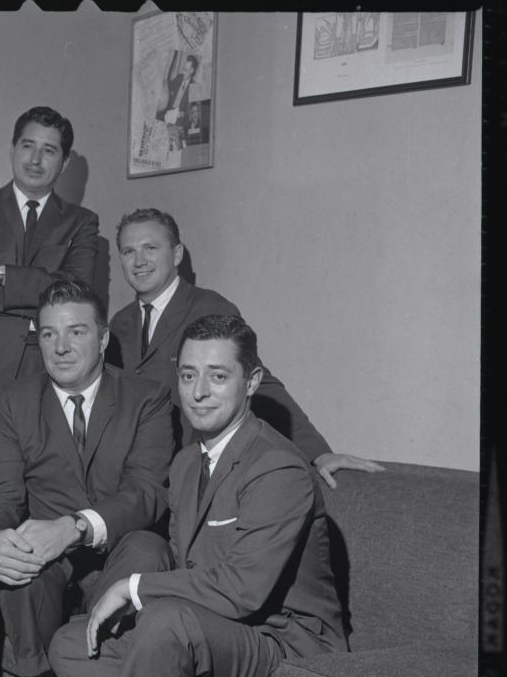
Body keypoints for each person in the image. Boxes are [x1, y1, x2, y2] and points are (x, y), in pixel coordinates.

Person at [0, 314, 347, 677]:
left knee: (164, 623)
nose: (200, 393)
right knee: (72, 642)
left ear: (251, 382)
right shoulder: (187, 463)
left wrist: (134, 587)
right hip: (216, 629)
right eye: (188, 376)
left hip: (285, 639)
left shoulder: (278, 467)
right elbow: (188, 567)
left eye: (218, 376)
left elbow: (242, 590)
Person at [0, 279, 173, 677]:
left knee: (148, 548)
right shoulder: (16, 400)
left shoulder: (147, 398)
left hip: (118, 548)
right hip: (52, 560)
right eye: (48, 334)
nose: (60, 347)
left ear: (102, 338)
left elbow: (147, 494)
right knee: (18, 550)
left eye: (76, 332)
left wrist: (76, 527)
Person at [106, 208, 384, 487]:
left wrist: (319, 453)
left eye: (150, 248)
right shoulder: (119, 324)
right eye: (128, 252)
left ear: (177, 254)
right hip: (137, 478)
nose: (139, 260)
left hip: (193, 476)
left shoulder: (208, 307)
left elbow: (259, 385)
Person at [0, 106, 99, 454]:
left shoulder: (81, 221)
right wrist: (48, 293)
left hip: (49, 372)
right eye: (27, 146)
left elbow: (77, 293)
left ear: (62, 163)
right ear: (12, 149)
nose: (35, 159)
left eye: (49, 150)